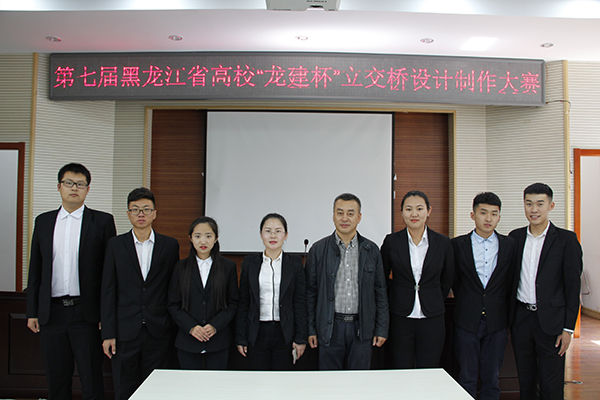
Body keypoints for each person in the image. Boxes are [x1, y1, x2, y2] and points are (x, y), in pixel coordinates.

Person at [26, 163, 116, 400]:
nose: (74, 188)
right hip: (52, 313)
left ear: (88, 189)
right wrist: (32, 311)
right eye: (69, 183)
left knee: (91, 378)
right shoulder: (44, 221)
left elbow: (109, 274)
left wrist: (105, 316)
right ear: (59, 187)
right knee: (56, 379)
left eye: (80, 184)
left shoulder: (102, 221)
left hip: (86, 314)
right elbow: (36, 268)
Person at [101, 187, 180, 400]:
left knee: (156, 391)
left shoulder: (169, 245)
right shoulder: (115, 245)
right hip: (124, 332)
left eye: (146, 209)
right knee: (124, 389)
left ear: (155, 213)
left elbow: (173, 289)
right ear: (128, 214)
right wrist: (108, 333)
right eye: (135, 209)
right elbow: (108, 290)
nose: (141, 214)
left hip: (159, 331)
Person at [509, 183, 582, 400]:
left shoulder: (566, 240)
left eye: (540, 204)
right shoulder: (515, 238)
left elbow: (573, 287)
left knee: (551, 383)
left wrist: (568, 328)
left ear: (551, 206)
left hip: (552, 323)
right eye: (529, 204)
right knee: (526, 379)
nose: (534, 209)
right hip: (521, 319)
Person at [306, 193, 388, 370]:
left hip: (362, 327)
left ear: (359, 217)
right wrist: (311, 329)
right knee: (330, 381)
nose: (345, 218)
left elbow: (380, 292)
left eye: (350, 213)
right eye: (340, 213)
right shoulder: (318, 249)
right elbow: (310, 293)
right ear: (333, 216)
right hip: (329, 327)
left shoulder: (371, 250)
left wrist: (381, 329)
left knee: (359, 381)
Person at [451, 192, 517, 400]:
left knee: (492, 378)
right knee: (467, 376)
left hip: (497, 321)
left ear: (499, 217)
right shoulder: (457, 245)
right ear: (473, 215)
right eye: (483, 213)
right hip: (466, 319)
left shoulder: (510, 245)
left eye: (494, 214)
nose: (488, 219)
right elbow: (455, 281)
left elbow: (511, 281)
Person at [380, 190, 454, 369]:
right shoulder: (392, 242)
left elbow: (448, 277)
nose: (414, 214)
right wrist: (396, 294)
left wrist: (434, 296)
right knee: (401, 368)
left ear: (428, 211)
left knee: (429, 369)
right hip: (400, 316)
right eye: (408, 209)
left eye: (419, 209)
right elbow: (382, 276)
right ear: (401, 212)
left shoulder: (443, 242)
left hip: (432, 317)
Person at [236, 213, 307, 370]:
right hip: (257, 331)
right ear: (261, 234)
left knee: (282, 378)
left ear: (285, 235)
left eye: (278, 231)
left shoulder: (295, 264)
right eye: (268, 231)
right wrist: (241, 337)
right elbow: (244, 302)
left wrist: (301, 338)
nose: (273, 236)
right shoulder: (250, 263)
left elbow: (300, 302)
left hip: (285, 332)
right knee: (258, 378)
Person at [167, 216, 239, 370]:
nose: (203, 241)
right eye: (198, 236)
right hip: (188, 342)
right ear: (190, 238)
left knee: (216, 384)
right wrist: (192, 327)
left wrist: (215, 326)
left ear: (216, 238)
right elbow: (173, 304)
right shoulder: (180, 268)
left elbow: (233, 303)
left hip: (218, 342)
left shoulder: (228, 267)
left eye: (208, 236)